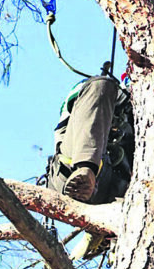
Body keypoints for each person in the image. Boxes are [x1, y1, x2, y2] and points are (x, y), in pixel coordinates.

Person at [46, 74, 134, 203]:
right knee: (101, 85)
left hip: (112, 190)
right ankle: (85, 169)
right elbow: (89, 94)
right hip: (69, 172)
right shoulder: (90, 89)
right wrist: (124, 95)